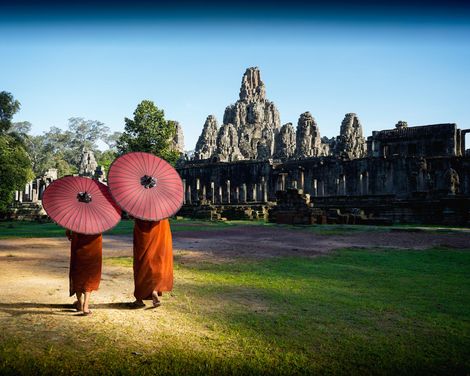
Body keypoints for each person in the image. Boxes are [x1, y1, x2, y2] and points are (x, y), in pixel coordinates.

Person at [131, 218, 173, 308]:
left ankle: (139, 299)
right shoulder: (162, 209)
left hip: (142, 229)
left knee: (142, 262)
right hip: (160, 227)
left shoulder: (139, 206)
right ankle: (154, 290)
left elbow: (131, 214)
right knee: (157, 261)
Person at [66, 229, 103, 316]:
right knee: (90, 275)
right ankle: (86, 307)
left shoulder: (77, 219)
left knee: (78, 273)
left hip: (79, 247)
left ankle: (79, 303)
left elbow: (70, 231)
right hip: (94, 247)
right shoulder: (98, 222)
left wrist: (68, 232)